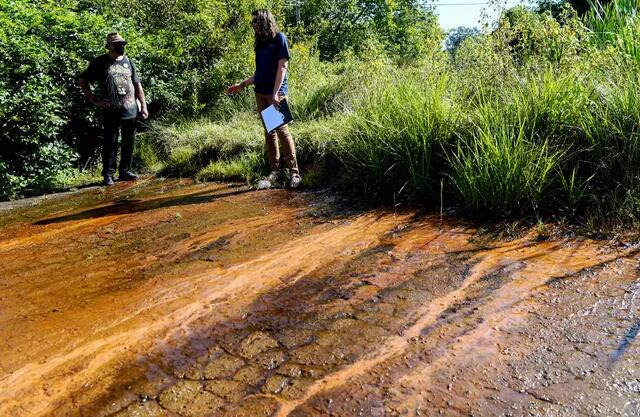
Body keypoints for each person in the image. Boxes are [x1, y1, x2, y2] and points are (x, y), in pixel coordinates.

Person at [227, 9, 302, 189]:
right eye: (253, 23)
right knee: (270, 131)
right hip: (260, 92)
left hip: (274, 93)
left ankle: (294, 173)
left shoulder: (279, 39)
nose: (253, 26)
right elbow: (259, 73)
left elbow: (282, 67)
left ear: (264, 22)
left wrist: (276, 92)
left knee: (281, 129)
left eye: (256, 23)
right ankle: (275, 171)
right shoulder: (260, 44)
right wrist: (242, 84)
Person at [79, 32, 149, 186]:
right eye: (118, 44)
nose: (122, 46)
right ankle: (108, 174)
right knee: (110, 142)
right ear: (110, 46)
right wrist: (94, 99)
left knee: (129, 142)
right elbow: (83, 80)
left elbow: (137, 85)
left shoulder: (128, 61)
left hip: (130, 108)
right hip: (111, 110)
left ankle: (125, 171)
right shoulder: (100, 62)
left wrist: (143, 106)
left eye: (123, 44)